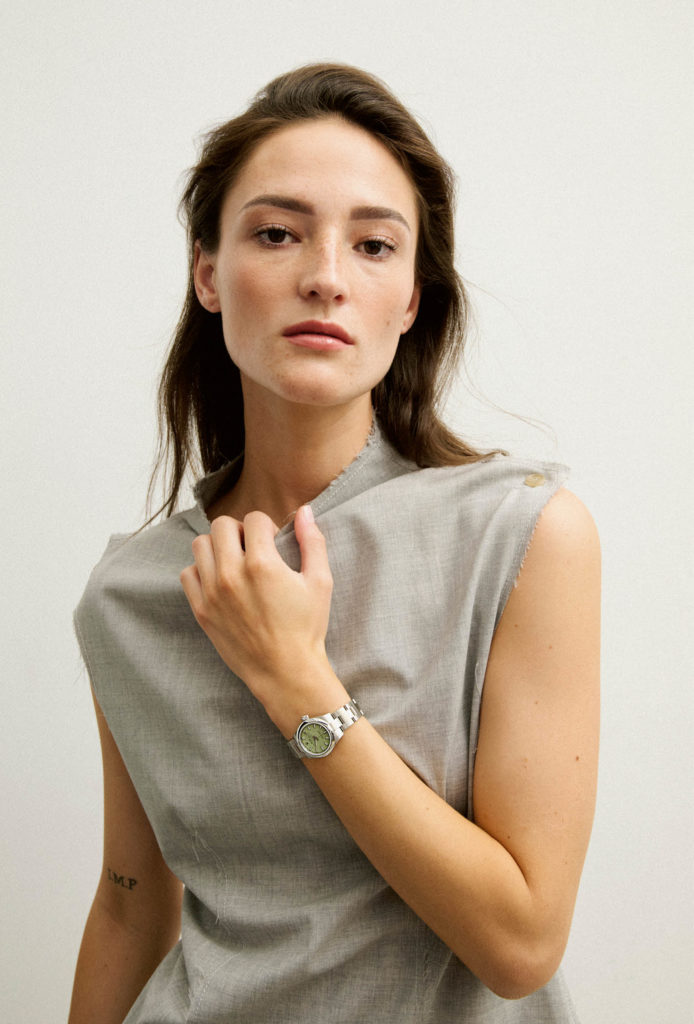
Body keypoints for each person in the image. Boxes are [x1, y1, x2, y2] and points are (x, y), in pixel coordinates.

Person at [68, 63, 600, 1023]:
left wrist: (296, 682)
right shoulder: (130, 593)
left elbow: (519, 945)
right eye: (277, 234)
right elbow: (128, 903)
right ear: (208, 274)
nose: (325, 275)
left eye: (374, 245)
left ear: (411, 299)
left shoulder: (520, 536)